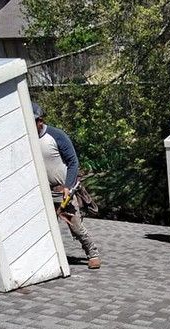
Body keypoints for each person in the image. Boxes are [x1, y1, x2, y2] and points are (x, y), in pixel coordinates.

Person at [32, 102, 101, 270]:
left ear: (40, 121)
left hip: (63, 190)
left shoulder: (56, 135)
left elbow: (73, 162)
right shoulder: (28, 139)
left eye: (34, 121)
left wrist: (68, 186)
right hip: (43, 191)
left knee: (75, 225)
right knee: (44, 228)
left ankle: (92, 253)